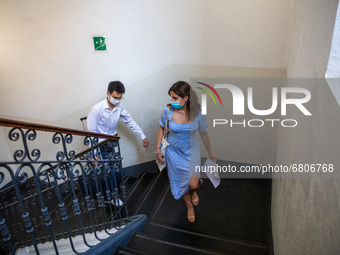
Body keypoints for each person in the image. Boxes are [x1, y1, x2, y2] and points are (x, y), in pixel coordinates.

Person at [156, 81, 216, 222]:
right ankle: (189, 205)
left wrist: (210, 152)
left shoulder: (199, 113)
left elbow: (204, 133)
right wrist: (158, 149)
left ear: (186, 98)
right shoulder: (168, 110)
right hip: (173, 151)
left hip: (191, 149)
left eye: (175, 98)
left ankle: (193, 192)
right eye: (171, 97)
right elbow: (161, 128)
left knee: (193, 184)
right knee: (180, 181)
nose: (172, 101)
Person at [86, 80, 149, 206]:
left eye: (120, 98)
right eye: (115, 97)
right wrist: (94, 154)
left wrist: (142, 136)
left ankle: (110, 195)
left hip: (112, 144)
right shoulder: (97, 109)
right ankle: (110, 197)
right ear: (108, 94)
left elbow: (130, 121)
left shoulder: (119, 106)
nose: (117, 100)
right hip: (100, 146)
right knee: (108, 174)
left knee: (119, 173)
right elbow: (91, 133)